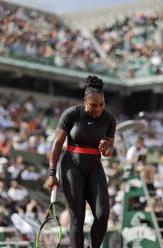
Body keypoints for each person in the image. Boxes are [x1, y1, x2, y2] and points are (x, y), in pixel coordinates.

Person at [46, 76, 116, 248]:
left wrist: (107, 149)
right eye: (93, 105)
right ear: (85, 100)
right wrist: (52, 173)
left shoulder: (109, 119)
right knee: (77, 217)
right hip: (71, 166)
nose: (98, 109)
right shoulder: (71, 114)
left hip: (94, 167)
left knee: (102, 215)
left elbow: (109, 152)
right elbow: (57, 145)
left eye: (102, 104)